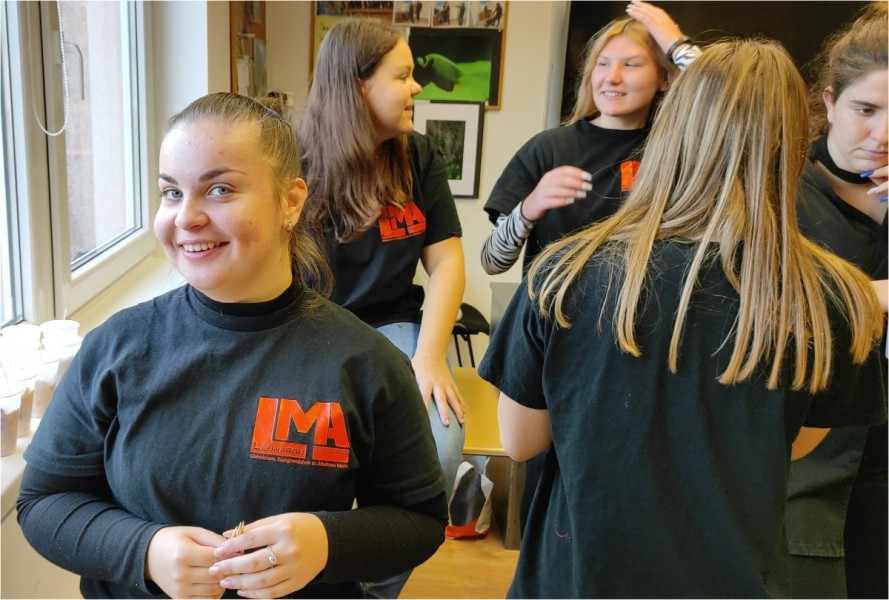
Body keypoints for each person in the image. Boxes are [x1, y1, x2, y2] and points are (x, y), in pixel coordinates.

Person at [478, 39, 886, 598]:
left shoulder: (564, 273)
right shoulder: (831, 297)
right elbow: (794, 442)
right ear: (794, 142)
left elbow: (520, 441)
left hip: (576, 580)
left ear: (671, 130)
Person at [16, 93, 448, 599]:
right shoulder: (115, 347)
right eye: (171, 192)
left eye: (219, 189)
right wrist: (146, 551)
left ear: (291, 202)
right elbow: (44, 501)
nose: (186, 218)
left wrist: (327, 543)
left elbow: (419, 520)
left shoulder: (366, 363)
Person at [480, 0, 698, 532]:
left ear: (664, 77)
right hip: (557, 345)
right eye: (603, 63)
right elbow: (492, 260)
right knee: (550, 498)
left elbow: (735, 106)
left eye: (632, 63)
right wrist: (530, 207)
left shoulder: (680, 149)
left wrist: (674, 41)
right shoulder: (549, 148)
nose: (612, 77)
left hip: (646, 346)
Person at [296, 18, 465, 598]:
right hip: (309, 326)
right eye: (403, 76)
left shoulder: (418, 155)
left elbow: (447, 263)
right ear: (357, 85)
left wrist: (431, 356)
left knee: (442, 443)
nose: (417, 87)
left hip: (394, 328)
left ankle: (370, 591)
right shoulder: (293, 158)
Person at [787, 3, 888, 598]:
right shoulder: (780, 193)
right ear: (828, 103)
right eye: (865, 110)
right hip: (805, 457)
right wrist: (869, 295)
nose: (882, 135)